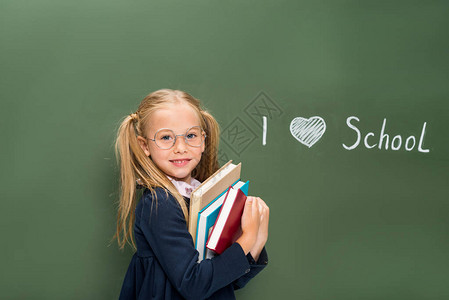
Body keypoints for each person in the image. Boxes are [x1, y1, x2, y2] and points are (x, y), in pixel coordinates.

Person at [114, 89, 269, 300]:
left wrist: (257, 241)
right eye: (166, 137)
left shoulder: (207, 195)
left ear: (203, 140)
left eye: (190, 135)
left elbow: (226, 280)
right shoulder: (160, 204)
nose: (180, 147)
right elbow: (194, 286)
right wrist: (247, 238)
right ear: (145, 146)